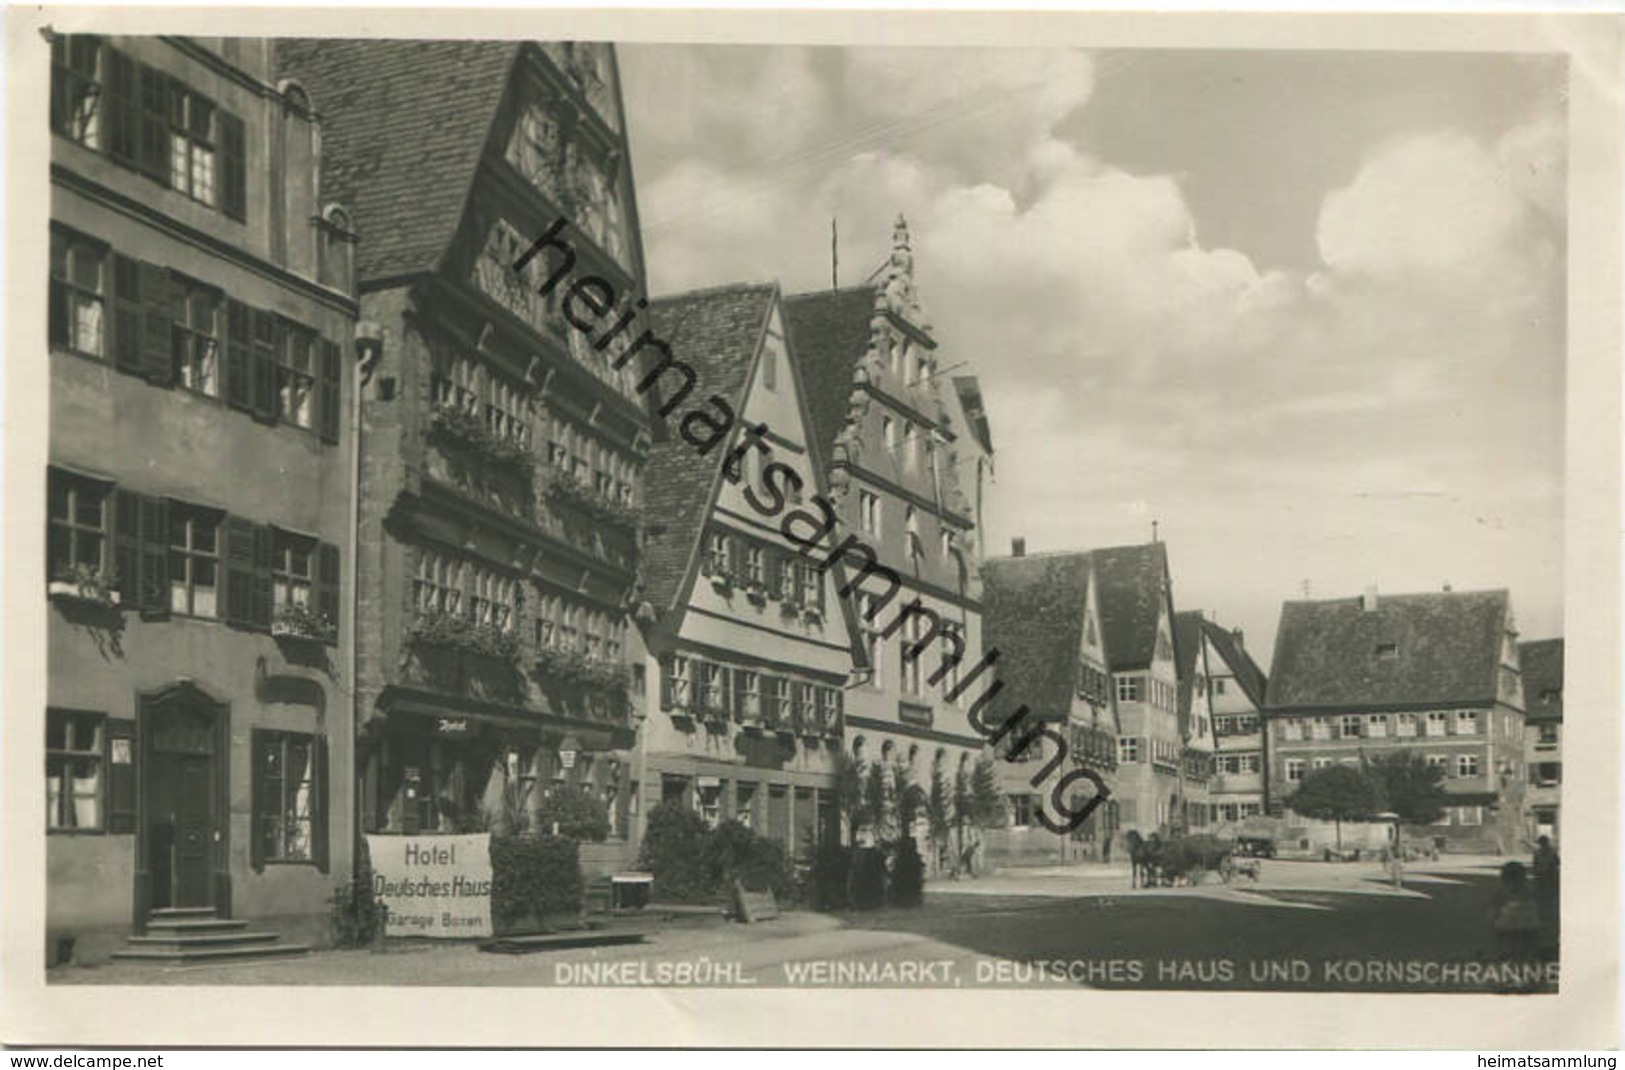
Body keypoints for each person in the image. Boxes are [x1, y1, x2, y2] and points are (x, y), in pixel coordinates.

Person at [1492, 861, 1542, 963]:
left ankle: (1506, 950)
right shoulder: (1529, 888)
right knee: (1531, 933)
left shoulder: (1502, 889)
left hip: (1508, 921)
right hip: (1530, 921)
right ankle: (1530, 953)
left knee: (1499, 923)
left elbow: (1497, 904)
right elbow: (1537, 902)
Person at [1532, 836, 1561, 935]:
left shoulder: (1537, 852)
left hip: (1543, 876)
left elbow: (1535, 865)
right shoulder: (1552, 852)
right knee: (1548, 897)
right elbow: (1558, 862)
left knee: (1543, 897)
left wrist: (1535, 875)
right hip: (1548, 876)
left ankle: (1543, 916)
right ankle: (1547, 916)